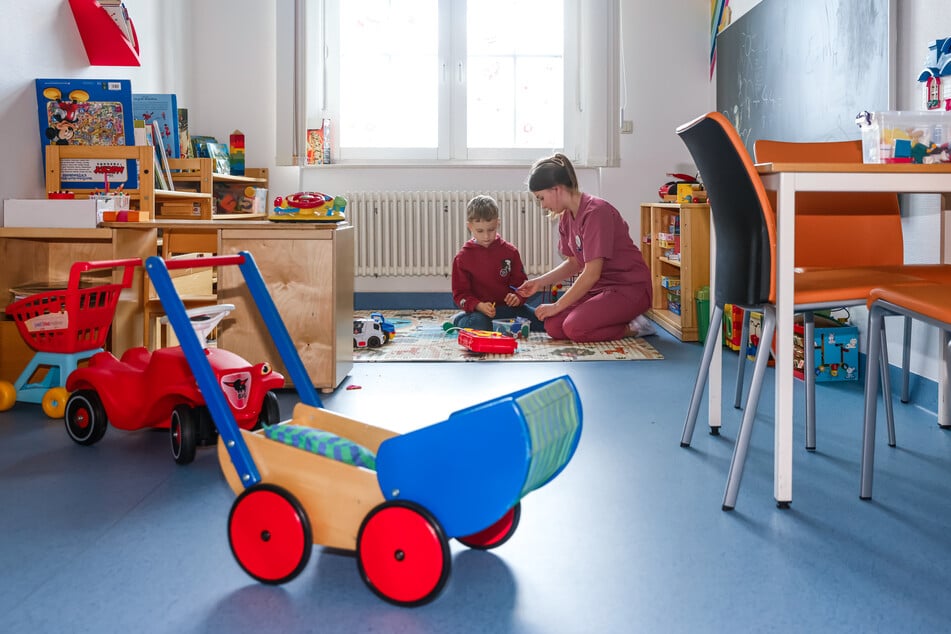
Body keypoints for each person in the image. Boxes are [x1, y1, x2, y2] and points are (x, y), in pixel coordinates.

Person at [515, 153, 654, 342]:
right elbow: (573, 263)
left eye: (541, 198)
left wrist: (556, 306)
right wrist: (539, 282)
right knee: (553, 326)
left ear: (556, 189)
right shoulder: (566, 217)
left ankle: (635, 326)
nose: (542, 205)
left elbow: (591, 273)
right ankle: (608, 318)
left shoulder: (597, 212)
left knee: (574, 328)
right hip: (599, 289)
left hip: (628, 288)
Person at [451, 195, 545, 332]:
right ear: (469, 227)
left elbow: (520, 284)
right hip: (481, 313)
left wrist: (517, 297)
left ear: (498, 223)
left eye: (491, 230)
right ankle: (460, 319)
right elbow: (460, 294)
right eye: (480, 231)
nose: (486, 236)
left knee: (542, 322)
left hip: (509, 310)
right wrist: (478, 305)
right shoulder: (463, 258)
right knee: (479, 325)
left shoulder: (510, 252)